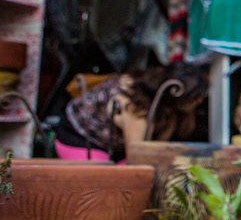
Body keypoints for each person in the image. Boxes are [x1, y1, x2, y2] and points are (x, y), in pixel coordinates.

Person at [54, 62, 208, 161]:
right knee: (105, 181)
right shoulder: (135, 107)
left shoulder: (148, 86)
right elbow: (137, 160)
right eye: (195, 98)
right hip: (78, 138)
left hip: (114, 145)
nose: (199, 102)